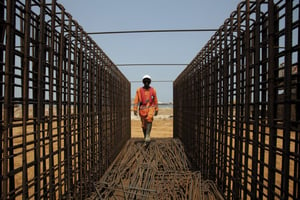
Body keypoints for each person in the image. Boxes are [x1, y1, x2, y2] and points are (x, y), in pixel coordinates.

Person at [133, 75, 158, 143]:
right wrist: (135, 109)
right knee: (144, 124)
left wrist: (156, 109)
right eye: (145, 81)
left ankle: (147, 135)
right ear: (143, 82)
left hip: (151, 107)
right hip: (142, 109)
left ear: (150, 82)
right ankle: (145, 136)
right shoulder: (139, 90)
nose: (146, 82)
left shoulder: (153, 90)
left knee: (149, 118)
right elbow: (136, 100)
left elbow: (155, 100)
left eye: (148, 81)